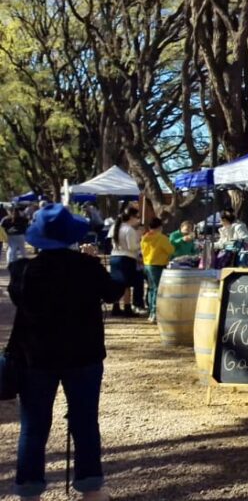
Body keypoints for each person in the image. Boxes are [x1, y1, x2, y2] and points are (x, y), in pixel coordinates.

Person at [7, 204, 123, 501]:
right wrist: (93, 262)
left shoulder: (23, 269)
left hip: (36, 358)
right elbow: (113, 293)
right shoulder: (87, 266)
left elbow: (18, 298)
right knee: (85, 422)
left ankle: (29, 491)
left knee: (33, 427)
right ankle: (91, 488)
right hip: (83, 356)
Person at [108, 207, 146, 317]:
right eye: (137, 217)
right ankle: (127, 308)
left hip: (114, 257)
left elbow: (111, 242)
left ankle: (116, 307)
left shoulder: (114, 226)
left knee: (117, 283)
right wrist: (140, 242)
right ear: (131, 217)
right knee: (127, 284)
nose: (138, 220)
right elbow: (132, 247)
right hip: (126, 258)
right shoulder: (129, 230)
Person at [140, 218, 174, 323]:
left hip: (146, 265)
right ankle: (154, 313)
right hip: (157, 266)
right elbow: (171, 250)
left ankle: (150, 310)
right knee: (157, 289)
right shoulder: (161, 238)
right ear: (160, 227)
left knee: (150, 289)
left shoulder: (144, 237)